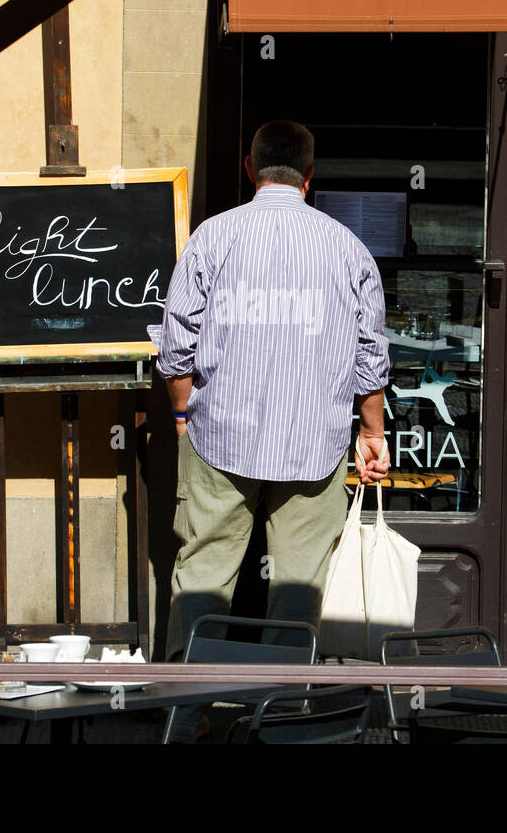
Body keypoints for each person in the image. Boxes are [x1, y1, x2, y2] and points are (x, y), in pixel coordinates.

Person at [156, 119, 391, 668]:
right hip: (316, 444)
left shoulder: (212, 238)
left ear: (249, 168)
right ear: (309, 177)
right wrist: (372, 432)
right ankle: (282, 712)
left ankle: (189, 714)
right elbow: (370, 357)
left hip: (221, 435)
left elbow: (176, 345)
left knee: (204, 575)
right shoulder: (348, 248)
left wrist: (182, 413)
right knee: (298, 585)